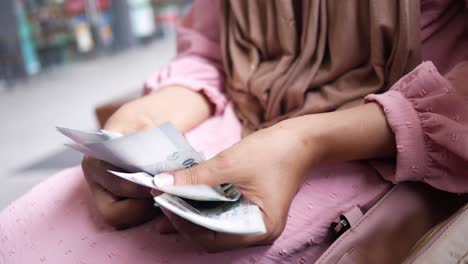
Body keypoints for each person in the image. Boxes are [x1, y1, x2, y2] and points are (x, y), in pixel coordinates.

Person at [1, 0, 467, 263]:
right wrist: (144, 120)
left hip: (385, 149)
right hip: (232, 123)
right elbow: (212, 53)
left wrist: (306, 141)